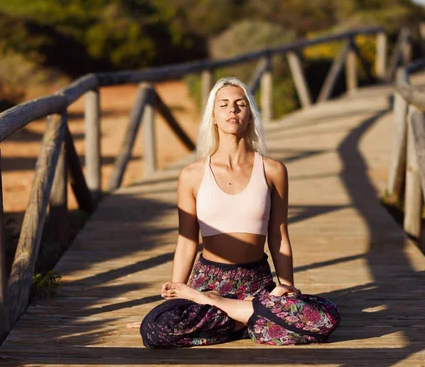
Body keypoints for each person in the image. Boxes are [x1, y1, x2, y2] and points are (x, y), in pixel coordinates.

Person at [136, 77, 340, 348]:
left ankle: (225, 313)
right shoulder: (192, 175)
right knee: (156, 329)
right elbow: (186, 240)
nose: (232, 110)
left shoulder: (273, 170)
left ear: (250, 117)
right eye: (224, 105)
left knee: (324, 320)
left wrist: (286, 285)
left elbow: (278, 234)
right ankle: (254, 320)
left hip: (257, 282)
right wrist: (178, 291)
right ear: (214, 117)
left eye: (240, 105)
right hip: (207, 281)